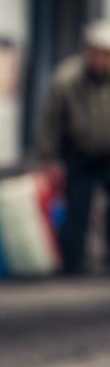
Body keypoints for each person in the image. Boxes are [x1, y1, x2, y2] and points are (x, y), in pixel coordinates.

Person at [37, 19, 110, 274]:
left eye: (107, 55)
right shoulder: (67, 79)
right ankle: (73, 264)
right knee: (77, 209)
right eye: (97, 53)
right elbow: (50, 120)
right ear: (87, 52)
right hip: (79, 153)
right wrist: (48, 158)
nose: (101, 60)